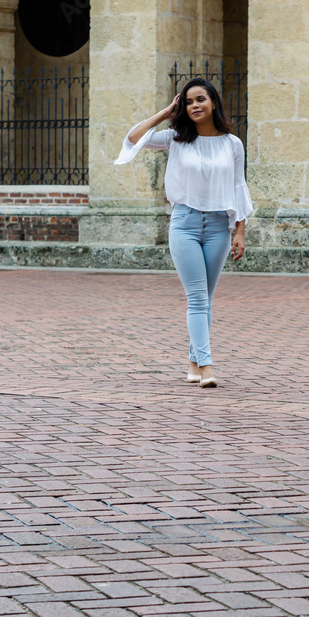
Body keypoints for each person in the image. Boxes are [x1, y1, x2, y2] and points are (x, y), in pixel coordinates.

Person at [114, 78, 253, 388]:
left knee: (207, 298)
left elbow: (238, 187)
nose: (195, 106)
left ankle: (193, 362)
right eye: (189, 101)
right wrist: (166, 112)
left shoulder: (233, 144)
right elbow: (134, 137)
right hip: (184, 224)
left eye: (200, 99)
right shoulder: (175, 139)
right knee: (197, 298)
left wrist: (240, 231)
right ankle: (206, 366)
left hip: (218, 226)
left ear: (213, 103)